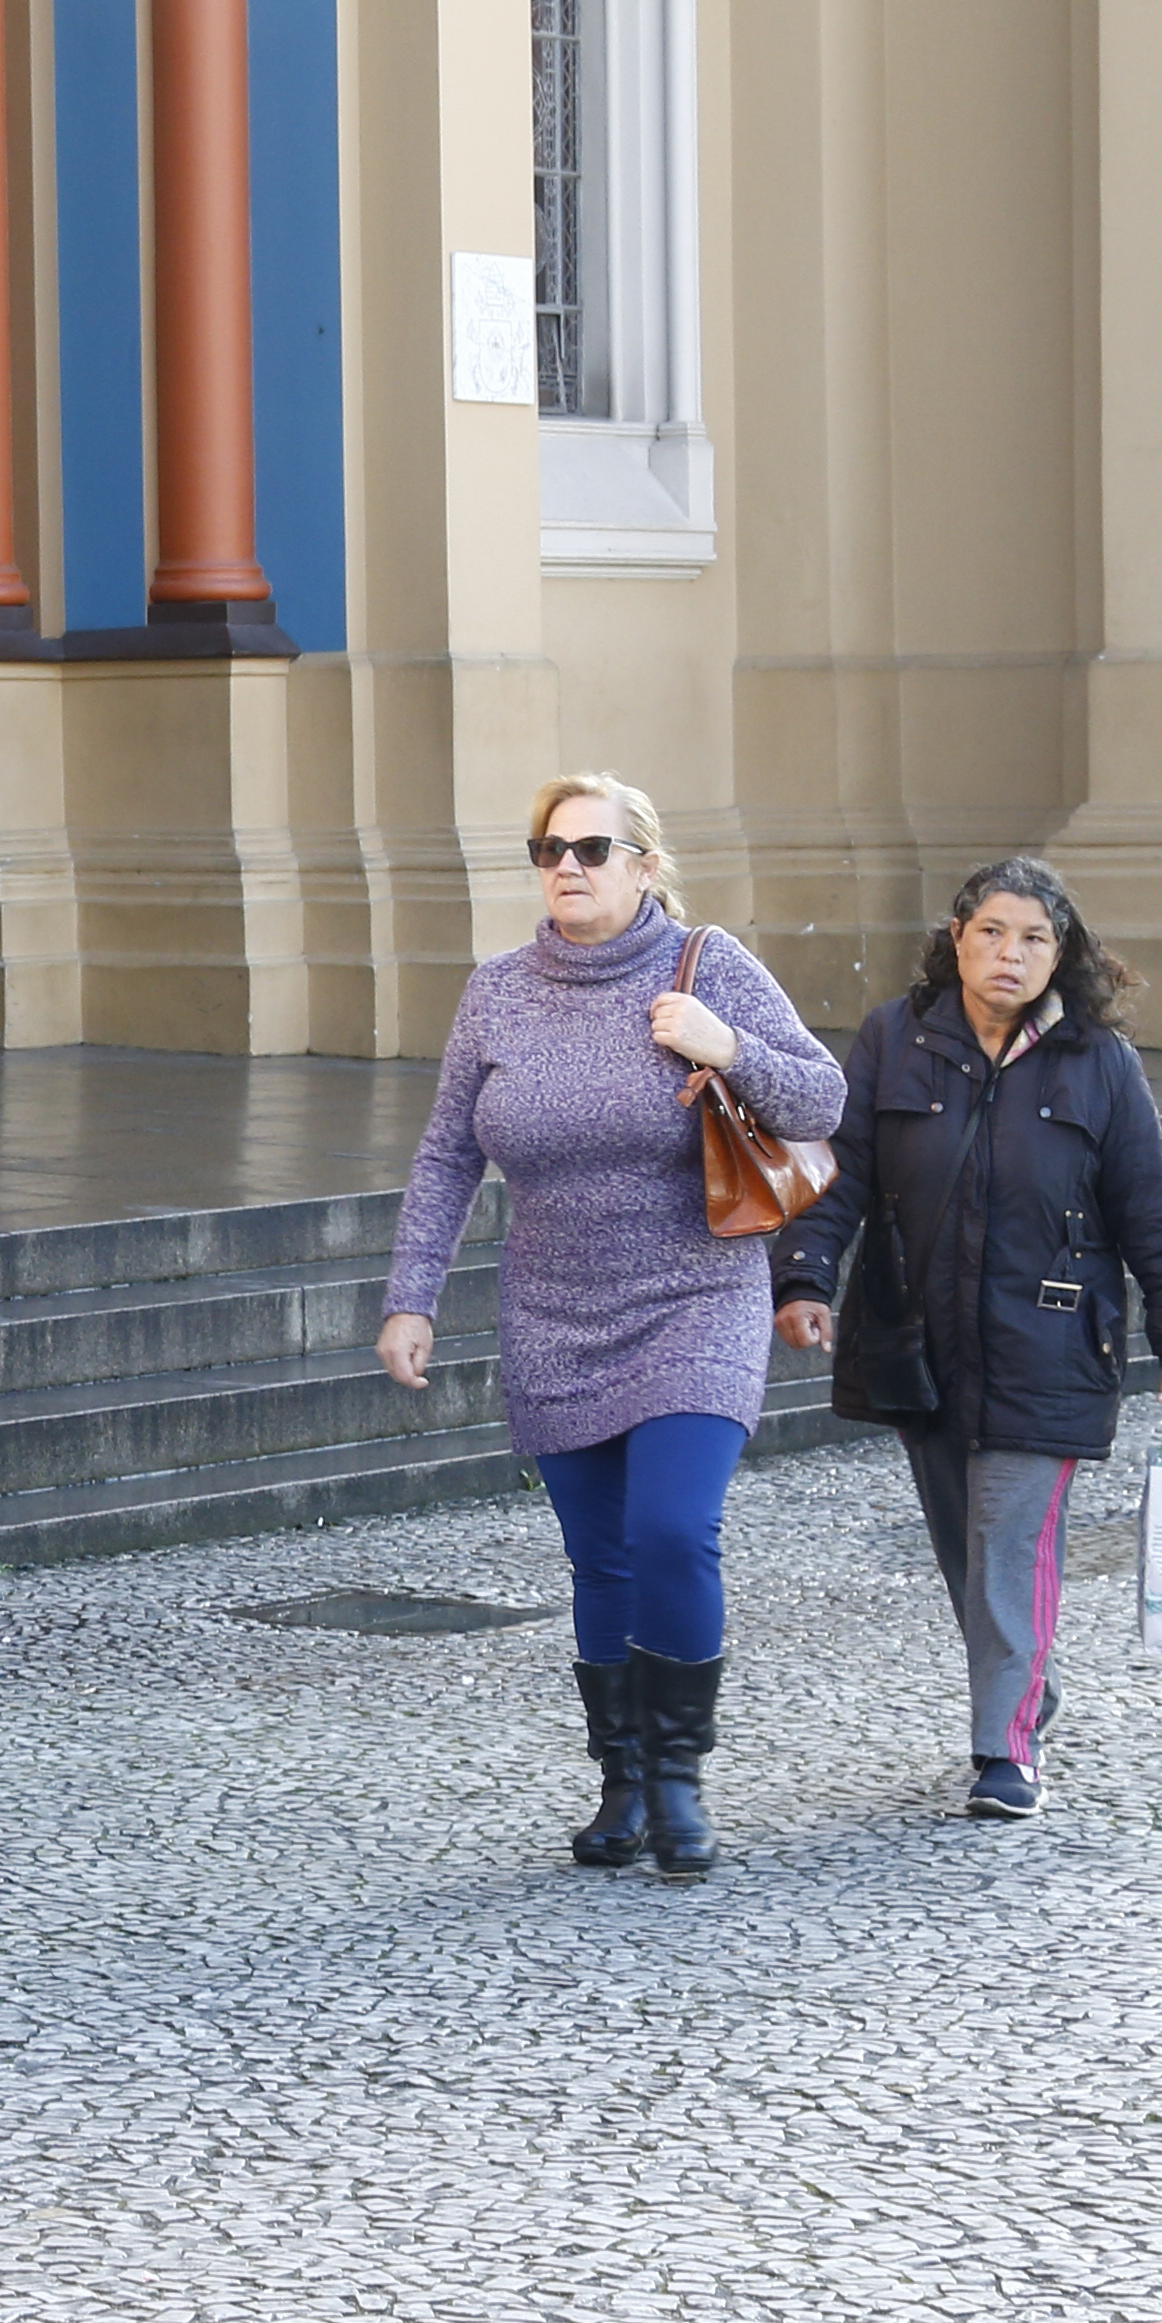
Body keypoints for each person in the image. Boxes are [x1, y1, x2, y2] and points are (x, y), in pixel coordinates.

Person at [374, 772, 844, 1883]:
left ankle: (678, 1774)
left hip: (697, 1299)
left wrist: (726, 1048)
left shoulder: (708, 967)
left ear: (646, 865)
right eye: (550, 850)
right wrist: (411, 1295)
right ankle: (622, 1777)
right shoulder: (498, 992)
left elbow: (822, 1102)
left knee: (673, 1530)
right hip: (554, 1311)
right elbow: (447, 1154)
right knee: (600, 1560)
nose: (568, 868)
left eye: (593, 848)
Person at [769, 857, 1162, 1821]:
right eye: (992, 932)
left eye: (1034, 939)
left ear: (1062, 956)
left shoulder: (1100, 1062)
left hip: (1050, 1342)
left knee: (1009, 1542)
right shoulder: (895, 1038)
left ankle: (1006, 1750)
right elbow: (843, 1171)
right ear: (958, 938)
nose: (1010, 954)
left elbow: (1150, 1203)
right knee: (966, 1553)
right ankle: (1023, 1689)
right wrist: (805, 1274)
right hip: (918, 1339)